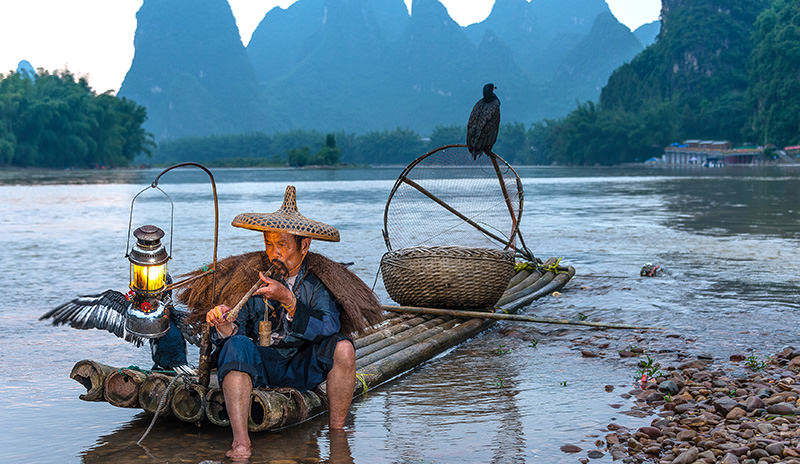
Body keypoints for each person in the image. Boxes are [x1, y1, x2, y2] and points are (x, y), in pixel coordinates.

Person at [206, 186, 357, 460]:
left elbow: (330, 327)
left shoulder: (316, 284)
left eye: (282, 245)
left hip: (300, 365)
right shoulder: (253, 280)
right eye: (269, 244)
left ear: (304, 246)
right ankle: (241, 443)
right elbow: (237, 333)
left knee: (343, 348)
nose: (274, 253)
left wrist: (289, 301)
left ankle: (337, 433)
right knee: (236, 346)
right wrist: (224, 325)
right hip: (263, 364)